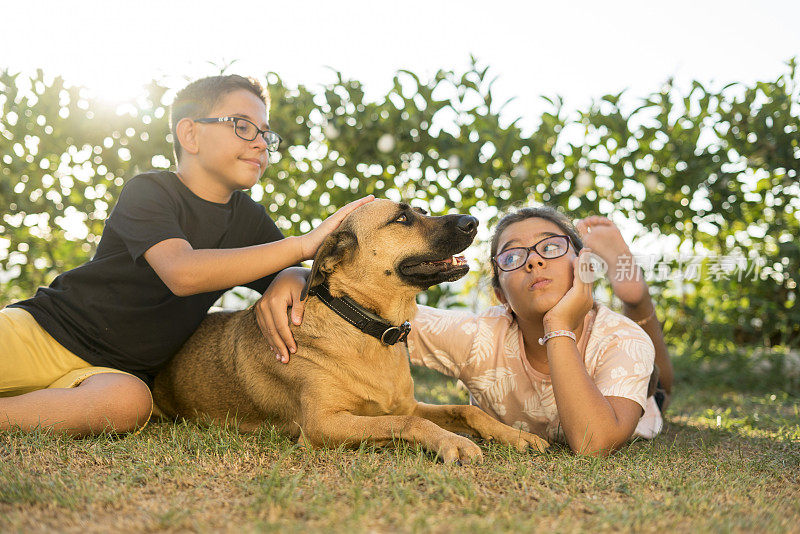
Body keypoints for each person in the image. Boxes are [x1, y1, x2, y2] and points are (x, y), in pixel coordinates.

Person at [0, 74, 372, 437]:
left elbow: (296, 274)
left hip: (112, 373)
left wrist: (291, 275)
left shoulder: (249, 219)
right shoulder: (149, 191)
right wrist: (301, 246)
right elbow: (183, 273)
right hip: (44, 332)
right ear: (190, 134)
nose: (260, 143)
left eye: (265, 133)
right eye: (243, 126)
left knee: (130, 405)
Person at [261, 206, 673, 456]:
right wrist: (297, 274)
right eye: (513, 256)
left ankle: (634, 296)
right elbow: (367, 309)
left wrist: (559, 326)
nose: (533, 262)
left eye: (551, 247)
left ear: (582, 266)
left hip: (623, 399)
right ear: (499, 291)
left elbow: (593, 442)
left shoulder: (621, 341)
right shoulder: (477, 337)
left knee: (658, 384)